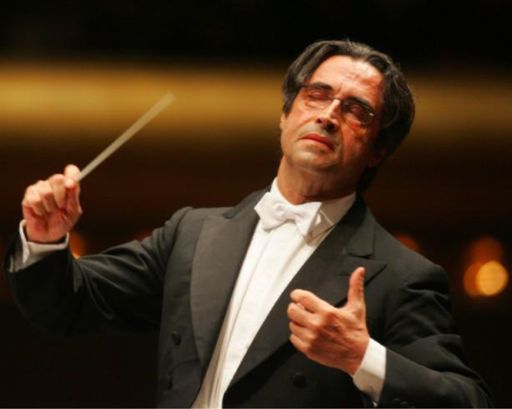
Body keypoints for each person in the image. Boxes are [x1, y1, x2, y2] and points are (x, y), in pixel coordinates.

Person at [4, 40, 492, 408]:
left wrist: (361, 356)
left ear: (378, 150)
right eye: (316, 95)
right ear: (285, 115)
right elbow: (68, 305)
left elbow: (467, 400)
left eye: (355, 110)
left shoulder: (401, 275)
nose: (328, 115)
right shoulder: (193, 234)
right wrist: (45, 241)